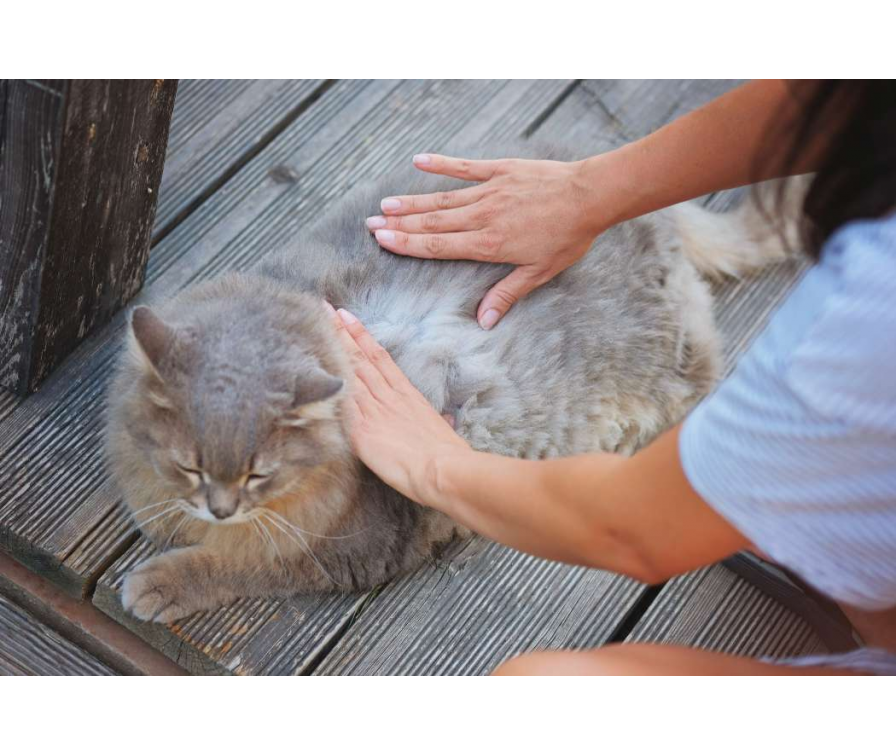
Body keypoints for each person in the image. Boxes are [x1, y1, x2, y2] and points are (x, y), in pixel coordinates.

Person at [328, 80, 896, 674]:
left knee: (538, 686)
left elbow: (634, 528)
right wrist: (589, 191)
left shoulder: (858, 329)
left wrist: (433, 464)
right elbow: (842, 93)